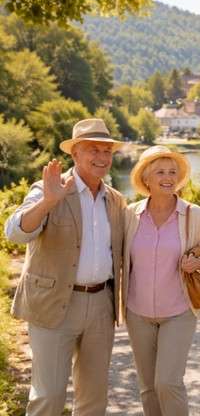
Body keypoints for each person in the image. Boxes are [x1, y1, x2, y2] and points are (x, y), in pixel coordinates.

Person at [4, 118, 126, 415]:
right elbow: (15, 233)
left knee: (94, 398)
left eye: (106, 151)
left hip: (101, 304)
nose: (101, 157)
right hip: (53, 303)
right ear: (75, 154)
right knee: (48, 395)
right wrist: (47, 202)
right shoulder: (48, 189)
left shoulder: (116, 200)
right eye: (92, 150)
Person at [123, 146, 200, 415]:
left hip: (179, 312)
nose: (168, 177)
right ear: (145, 179)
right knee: (147, 386)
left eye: (173, 172)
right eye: (160, 172)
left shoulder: (193, 214)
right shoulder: (130, 215)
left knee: (167, 382)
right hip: (137, 312)